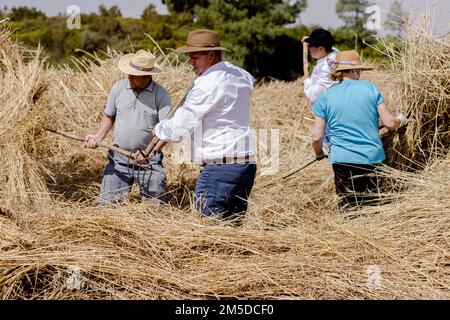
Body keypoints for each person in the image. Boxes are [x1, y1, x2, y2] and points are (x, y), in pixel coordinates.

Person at [153, 29, 257, 222]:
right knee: (232, 228)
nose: (190, 62)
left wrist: (158, 128)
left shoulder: (207, 84)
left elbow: (180, 129)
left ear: (211, 54)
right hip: (245, 164)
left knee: (207, 230)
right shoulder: (241, 75)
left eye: (195, 56)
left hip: (219, 168)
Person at [311, 50, 405, 209]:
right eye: (360, 70)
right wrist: (401, 121)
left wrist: (319, 152)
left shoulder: (326, 97)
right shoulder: (371, 89)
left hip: (343, 159)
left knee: (349, 207)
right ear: (354, 70)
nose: (360, 73)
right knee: (370, 206)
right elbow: (389, 122)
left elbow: (316, 137)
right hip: (371, 157)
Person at [85, 50, 172, 206]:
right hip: (119, 159)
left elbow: (167, 131)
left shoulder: (161, 95)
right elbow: (109, 116)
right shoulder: (118, 88)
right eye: (129, 73)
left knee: (155, 210)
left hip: (149, 163)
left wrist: (150, 153)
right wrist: (99, 137)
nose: (129, 77)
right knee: (108, 208)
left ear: (147, 76)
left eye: (134, 75)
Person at [302, 29, 339, 151]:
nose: (309, 48)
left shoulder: (327, 66)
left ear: (322, 49)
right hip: (332, 109)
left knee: (331, 146)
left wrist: (306, 81)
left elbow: (314, 94)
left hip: (330, 112)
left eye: (312, 46)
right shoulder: (334, 54)